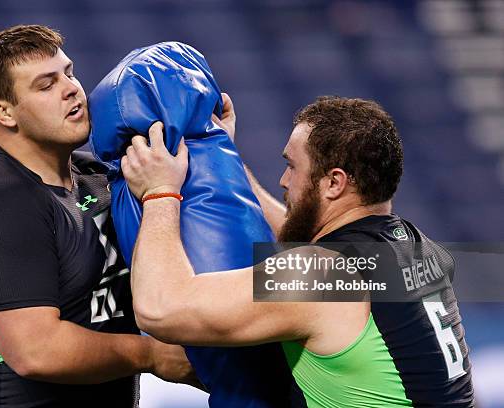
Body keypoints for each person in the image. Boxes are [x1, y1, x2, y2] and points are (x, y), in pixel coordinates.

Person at [122, 95, 475, 407]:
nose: (283, 180)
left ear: (334, 183)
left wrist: (159, 193)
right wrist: (224, 159)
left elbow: (159, 310)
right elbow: (302, 240)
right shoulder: (418, 248)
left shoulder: (323, 276)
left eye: (293, 166)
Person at [0, 25, 197, 407]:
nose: (71, 88)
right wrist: (153, 356)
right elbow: (36, 351)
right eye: (46, 85)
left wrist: (213, 144)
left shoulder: (97, 177)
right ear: (4, 112)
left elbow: (206, 252)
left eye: (69, 72)